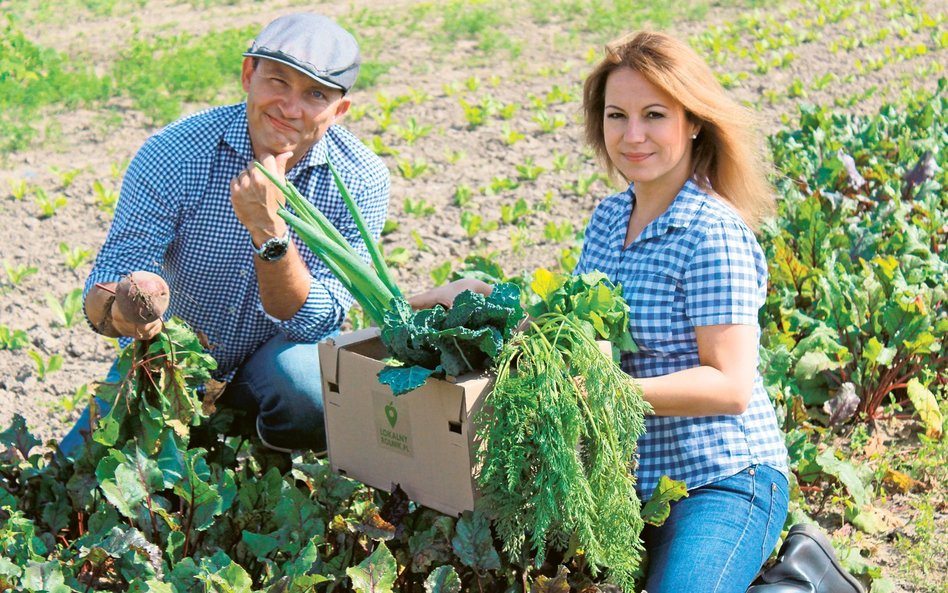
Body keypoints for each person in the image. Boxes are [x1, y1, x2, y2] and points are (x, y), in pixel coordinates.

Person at [62, 12, 390, 457]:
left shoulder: (360, 179)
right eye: (277, 81)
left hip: (271, 365)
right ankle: (185, 428)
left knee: (308, 390)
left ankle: (266, 454)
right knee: (77, 470)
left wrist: (269, 233)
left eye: (314, 94)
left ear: (339, 109)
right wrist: (125, 309)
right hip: (172, 361)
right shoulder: (176, 151)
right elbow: (112, 275)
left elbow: (317, 320)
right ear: (247, 75)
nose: (290, 108)